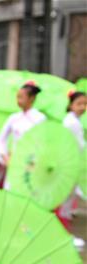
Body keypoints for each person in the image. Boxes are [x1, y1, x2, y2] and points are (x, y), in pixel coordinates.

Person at [0, 80, 46, 188]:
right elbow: (1, 139)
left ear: (32, 98)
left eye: (21, 97)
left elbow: (43, 142)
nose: (18, 101)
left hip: (32, 162)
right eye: (17, 97)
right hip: (15, 161)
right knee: (11, 190)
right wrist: (5, 157)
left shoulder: (40, 118)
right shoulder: (14, 118)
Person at [59, 90, 86, 249]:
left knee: (68, 201)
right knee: (66, 202)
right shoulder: (71, 122)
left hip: (72, 164)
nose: (83, 107)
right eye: (79, 104)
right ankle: (63, 234)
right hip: (70, 164)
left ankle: (65, 232)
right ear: (70, 105)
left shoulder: (74, 121)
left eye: (85, 104)